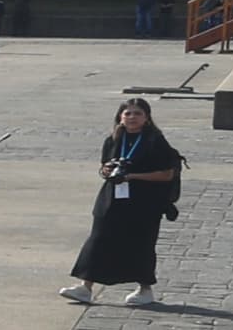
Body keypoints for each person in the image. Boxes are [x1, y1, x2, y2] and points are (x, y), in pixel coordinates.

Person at [61, 96, 180, 309]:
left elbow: (167, 174)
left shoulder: (155, 140)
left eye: (138, 113)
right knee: (98, 239)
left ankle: (145, 289)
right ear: (120, 117)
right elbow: (105, 166)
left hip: (144, 202)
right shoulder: (114, 139)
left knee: (141, 244)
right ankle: (85, 287)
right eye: (128, 113)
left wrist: (133, 176)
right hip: (112, 198)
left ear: (147, 118)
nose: (132, 117)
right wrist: (107, 170)